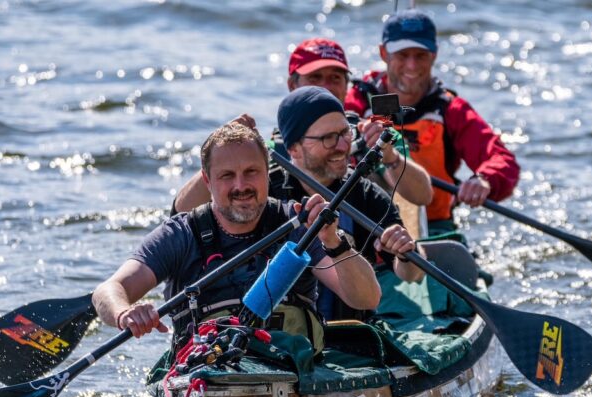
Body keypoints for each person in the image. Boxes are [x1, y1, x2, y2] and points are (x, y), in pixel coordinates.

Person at [93, 123, 380, 351]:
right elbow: (108, 290)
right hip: (208, 379)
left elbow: (367, 298)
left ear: (268, 173)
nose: (241, 185)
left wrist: (334, 241)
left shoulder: (298, 225)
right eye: (227, 175)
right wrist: (125, 313)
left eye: (251, 172)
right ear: (208, 181)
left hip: (293, 373)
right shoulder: (181, 234)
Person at [172, 37, 433, 215]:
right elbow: (182, 212)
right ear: (292, 85)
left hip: (365, 255)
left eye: (334, 78)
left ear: (347, 86)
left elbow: (422, 196)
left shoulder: (371, 135)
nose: (325, 87)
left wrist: (389, 156)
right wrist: (221, 152)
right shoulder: (271, 146)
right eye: (315, 78)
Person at [345, 9, 520, 233]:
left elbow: (502, 159)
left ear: (434, 55)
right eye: (402, 55)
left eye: (420, 55)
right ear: (383, 53)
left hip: (434, 226)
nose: (411, 66)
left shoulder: (450, 109)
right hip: (366, 224)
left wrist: (485, 180)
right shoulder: (359, 100)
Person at [271, 86, 425, 321]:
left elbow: (412, 275)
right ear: (294, 148)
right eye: (328, 138)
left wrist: (407, 252)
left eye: (345, 133)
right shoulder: (266, 190)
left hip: (349, 335)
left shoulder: (364, 194)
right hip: (278, 334)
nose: (343, 147)